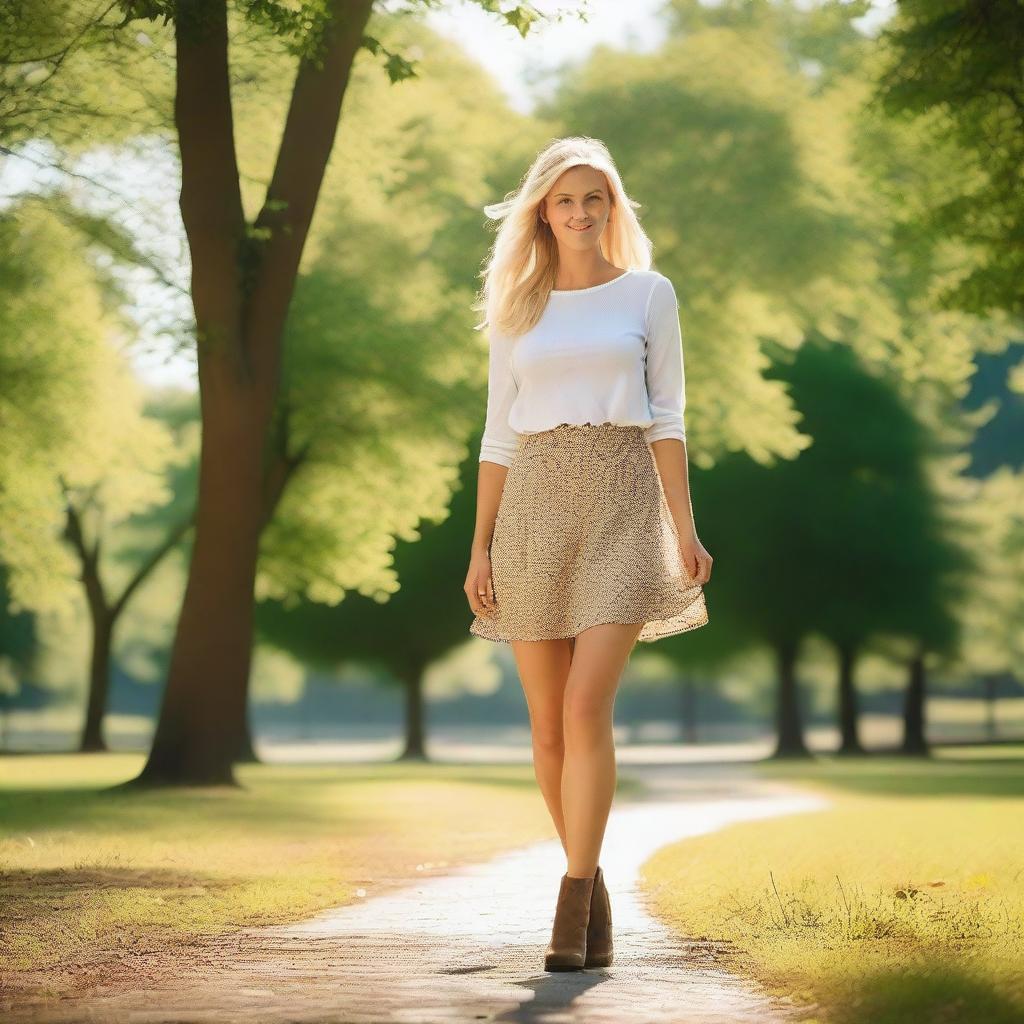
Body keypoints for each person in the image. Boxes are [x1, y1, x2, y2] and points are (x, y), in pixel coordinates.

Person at [464, 136, 713, 972]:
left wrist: (684, 526)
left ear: (613, 209)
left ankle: (568, 908)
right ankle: (592, 881)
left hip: (621, 499)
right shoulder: (516, 307)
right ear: (544, 209)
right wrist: (480, 548)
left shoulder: (649, 293)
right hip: (532, 505)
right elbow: (498, 435)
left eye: (595, 200)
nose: (580, 213)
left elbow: (668, 416)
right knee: (544, 731)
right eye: (566, 200)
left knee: (583, 709)